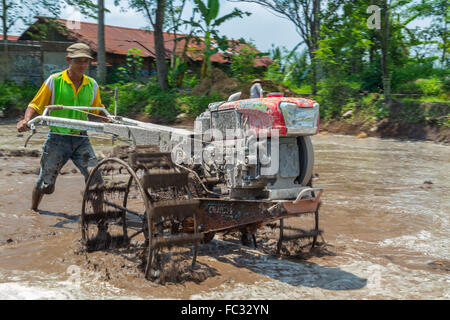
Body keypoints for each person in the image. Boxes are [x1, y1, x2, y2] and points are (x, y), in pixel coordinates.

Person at [17, 43, 109, 211]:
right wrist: (26, 120)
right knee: (46, 183)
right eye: (78, 61)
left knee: (96, 178)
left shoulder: (92, 84)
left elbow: (96, 110)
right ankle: (34, 211)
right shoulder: (55, 81)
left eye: (85, 62)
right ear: (68, 60)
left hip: (81, 139)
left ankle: (99, 217)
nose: (82, 65)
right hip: (58, 140)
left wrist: (109, 120)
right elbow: (35, 105)